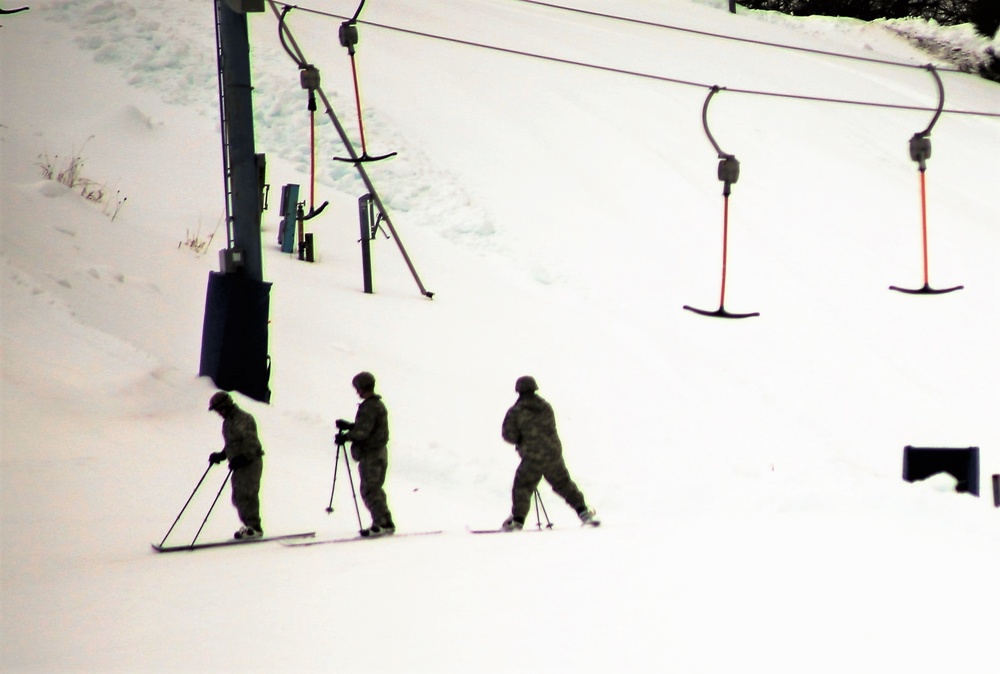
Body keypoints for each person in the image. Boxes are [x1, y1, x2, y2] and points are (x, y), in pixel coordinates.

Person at [500, 376, 598, 531]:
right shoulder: (546, 407)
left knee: (523, 486)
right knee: (564, 484)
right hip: (553, 454)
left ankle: (518, 521)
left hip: (532, 457)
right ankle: (584, 512)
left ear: (518, 390)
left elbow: (508, 435)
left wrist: (520, 438)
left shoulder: (515, 411)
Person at [336, 371, 395, 537]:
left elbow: (363, 432)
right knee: (374, 488)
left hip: (372, 454)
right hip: (378, 452)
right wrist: (350, 426)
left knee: (369, 489)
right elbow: (368, 427)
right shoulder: (376, 405)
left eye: (358, 388)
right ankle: (385, 521)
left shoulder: (370, 406)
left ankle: (381, 523)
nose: (357, 392)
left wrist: (346, 436)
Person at [207, 391, 265, 539]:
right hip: (239, 465)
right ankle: (249, 527)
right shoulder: (228, 422)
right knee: (238, 497)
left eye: (219, 409)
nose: (218, 413)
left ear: (225, 405)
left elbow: (251, 442)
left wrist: (243, 457)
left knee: (247, 494)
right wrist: (222, 455)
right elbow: (232, 444)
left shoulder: (243, 419)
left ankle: (255, 528)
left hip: (251, 462)